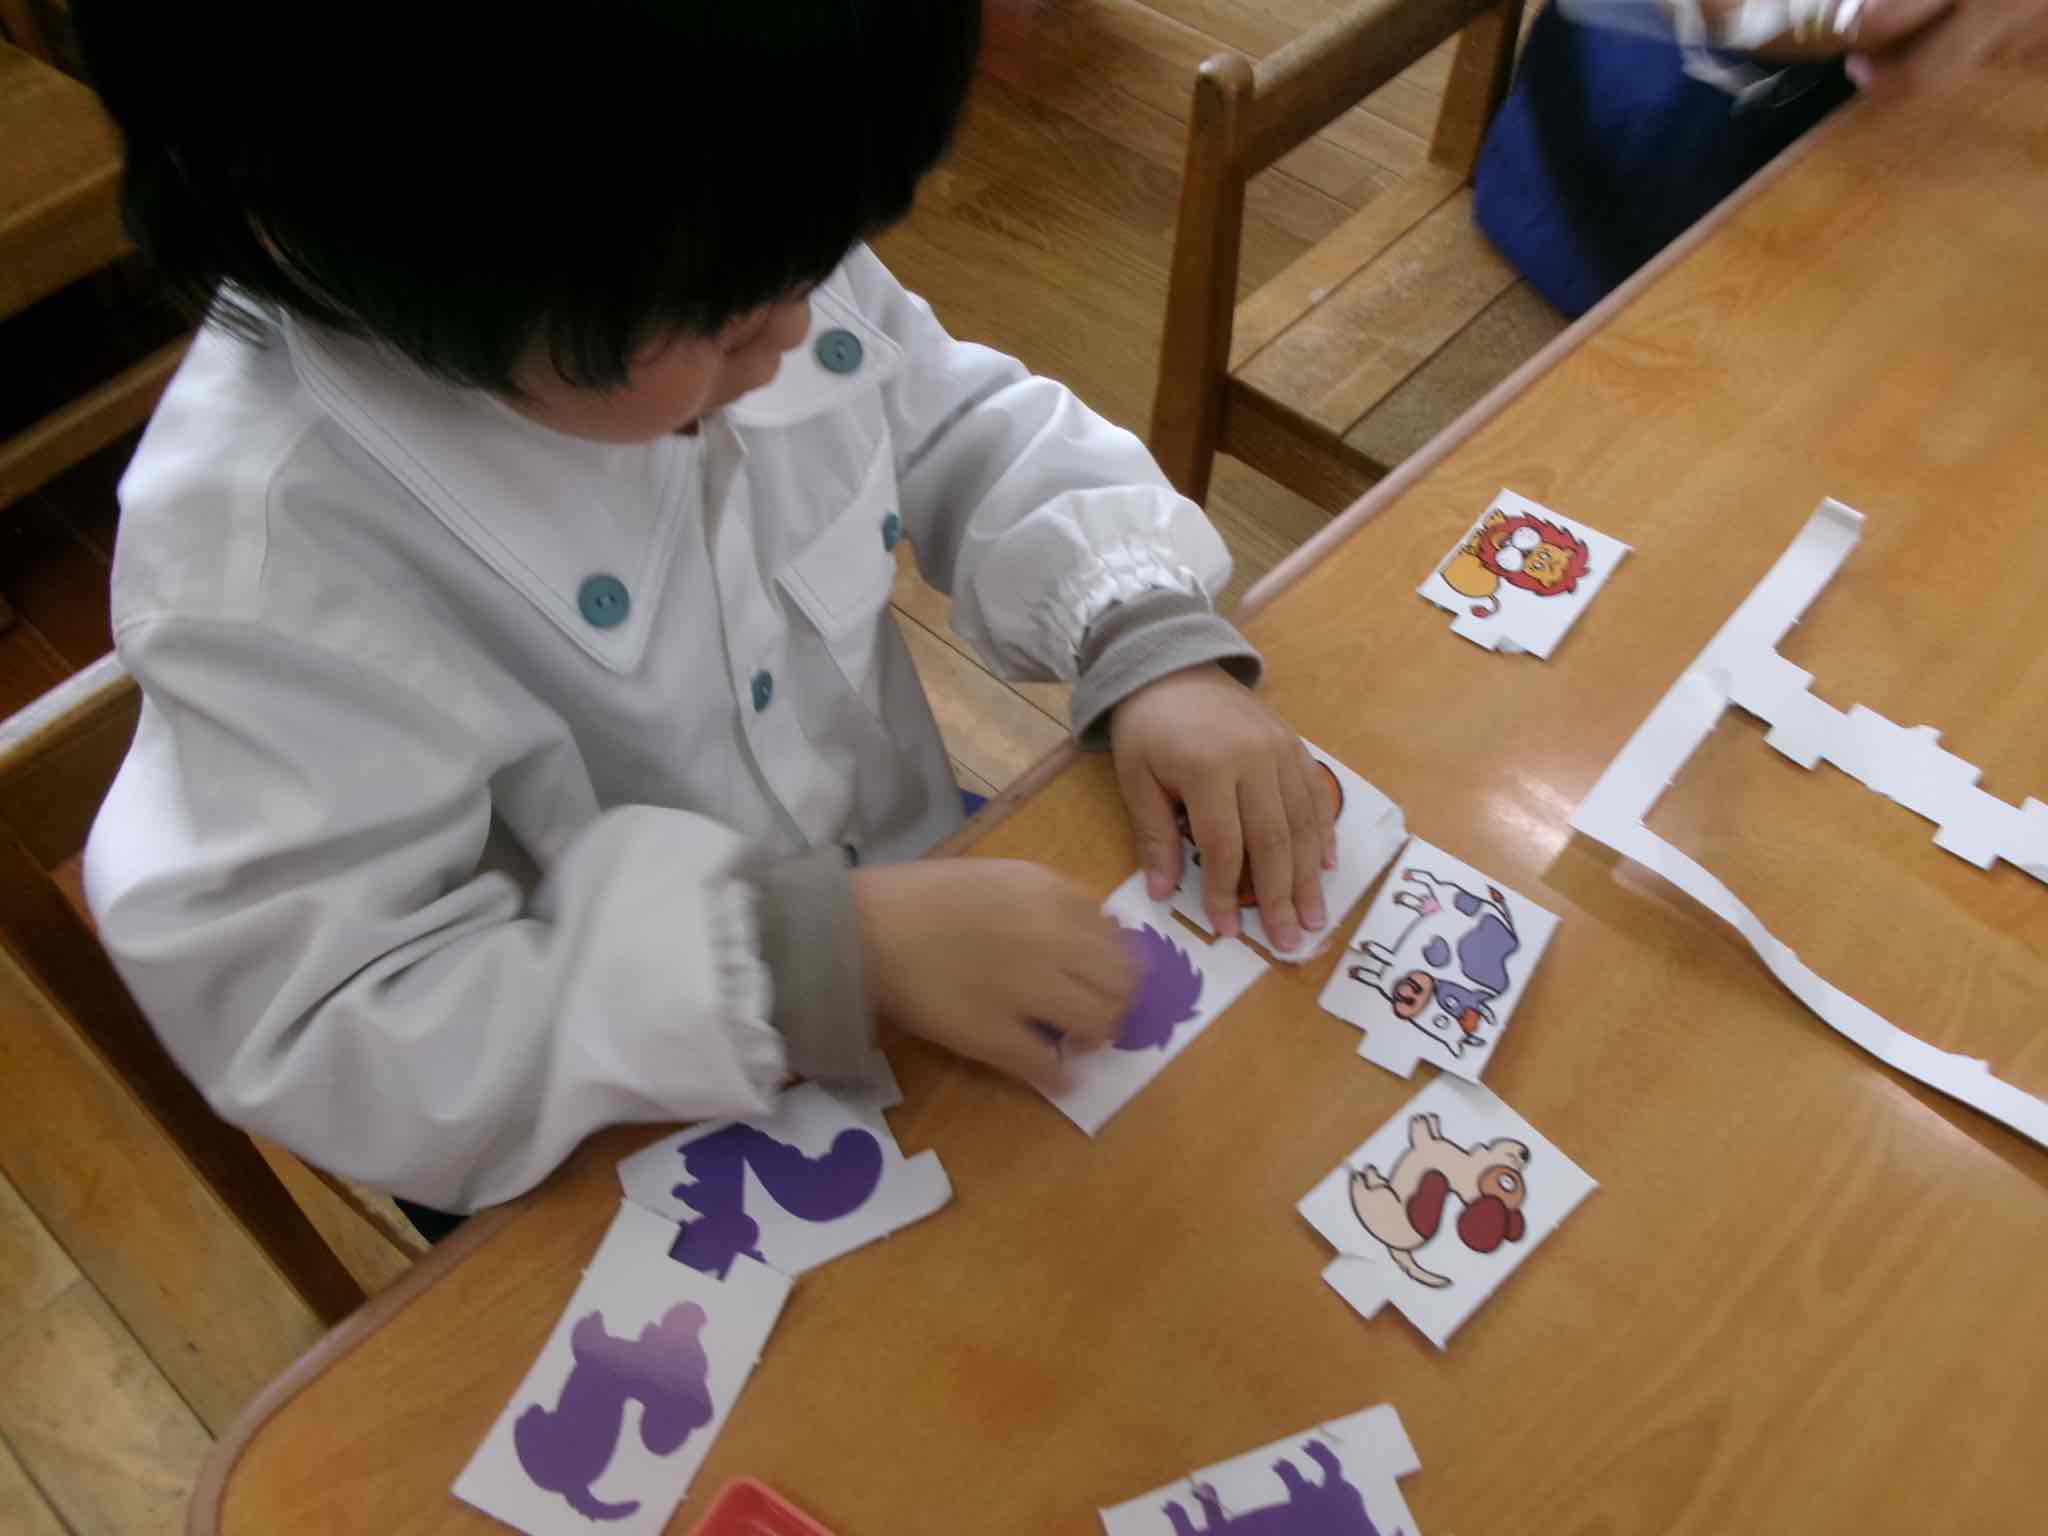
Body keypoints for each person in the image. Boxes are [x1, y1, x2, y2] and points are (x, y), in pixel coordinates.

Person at [69, 2, 1338, 1226]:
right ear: (417, 264)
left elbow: (957, 422)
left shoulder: (702, 216)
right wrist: (809, 956)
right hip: (598, 1131)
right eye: (726, 321)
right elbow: (339, 1023)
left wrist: (1141, 634)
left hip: (913, 898)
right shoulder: (261, 560)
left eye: (815, 260)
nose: (793, 325)